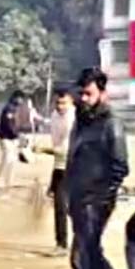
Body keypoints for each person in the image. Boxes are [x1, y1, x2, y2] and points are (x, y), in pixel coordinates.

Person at [53, 67, 135, 269]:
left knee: (83, 259)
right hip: (78, 199)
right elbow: (75, 158)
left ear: (102, 92)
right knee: (90, 256)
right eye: (82, 93)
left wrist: (99, 198)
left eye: (89, 94)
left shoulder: (111, 123)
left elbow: (120, 166)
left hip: (95, 203)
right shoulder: (82, 119)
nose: (84, 99)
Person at [47, 86, 76, 255]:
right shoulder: (54, 116)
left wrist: (43, 150)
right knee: (59, 205)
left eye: (63, 103)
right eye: (57, 103)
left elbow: (65, 149)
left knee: (73, 207)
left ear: (71, 101)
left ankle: (81, 242)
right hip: (59, 166)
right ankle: (61, 243)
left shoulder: (73, 118)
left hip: (75, 167)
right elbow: (56, 145)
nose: (60, 106)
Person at [0, 90, 25, 189]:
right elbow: (8, 125)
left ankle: (9, 182)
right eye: (20, 98)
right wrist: (16, 135)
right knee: (7, 159)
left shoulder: (15, 108)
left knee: (12, 160)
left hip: (13, 137)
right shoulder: (9, 108)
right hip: (5, 137)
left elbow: (15, 125)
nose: (21, 101)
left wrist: (18, 135)